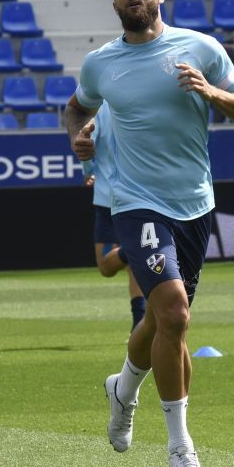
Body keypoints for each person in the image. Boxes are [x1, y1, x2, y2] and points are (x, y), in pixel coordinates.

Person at [63, 0, 234, 467]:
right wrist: (82, 151)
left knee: (161, 323)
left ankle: (123, 389)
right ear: (113, 0)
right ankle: (180, 445)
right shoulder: (100, 64)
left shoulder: (200, 48)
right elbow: (76, 110)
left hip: (193, 202)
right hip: (134, 201)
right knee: (174, 312)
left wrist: (211, 91)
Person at [82, 102, 146, 333]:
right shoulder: (144, 103)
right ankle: (136, 248)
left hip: (109, 196)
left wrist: (88, 170)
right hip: (139, 195)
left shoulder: (101, 109)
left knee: (108, 266)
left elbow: (85, 140)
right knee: (114, 265)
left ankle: (139, 323)